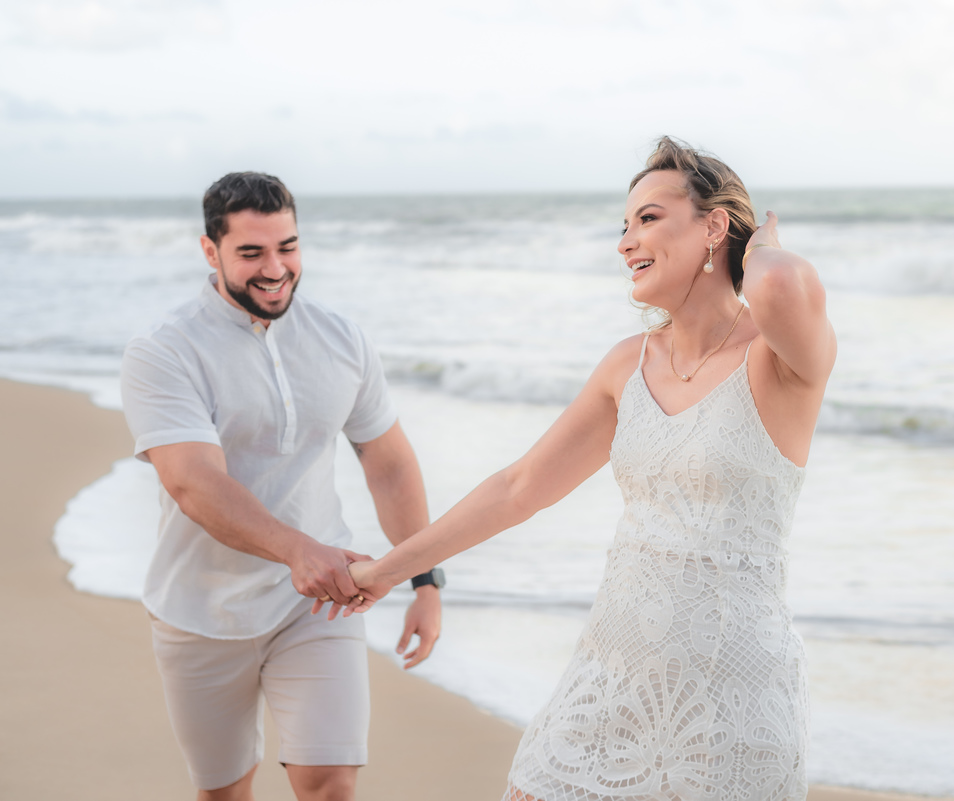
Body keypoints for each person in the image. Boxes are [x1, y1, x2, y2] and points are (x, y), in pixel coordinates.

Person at [341, 137, 836, 800]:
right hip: (610, 676)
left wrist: (764, 239)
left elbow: (778, 283)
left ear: (715, 225)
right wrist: (387, 569)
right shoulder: (624, 366)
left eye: (650, 218)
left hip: (732, 698)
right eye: (624, 224)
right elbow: (517, 489)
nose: (627, 240)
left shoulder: (777, 362)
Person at [120, 172, 443, 801]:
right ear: (210, 252)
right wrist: (300, 551)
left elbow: (389, 462)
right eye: (251, 253)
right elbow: (192, 482)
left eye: (287, 247)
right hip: (201, 611)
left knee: (329, 785)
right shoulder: (164, 351)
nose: (275, 268)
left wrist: (425, 579)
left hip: (319, 604)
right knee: (225, 793)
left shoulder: (341, 339)